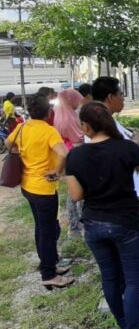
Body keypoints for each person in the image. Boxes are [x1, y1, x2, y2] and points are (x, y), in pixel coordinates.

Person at [65, 102, 139, 329]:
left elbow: (76, 195)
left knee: (109, 278)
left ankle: (122, 323)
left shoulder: (74, 156)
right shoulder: (126, 148)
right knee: (134, 282)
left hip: (94, 226)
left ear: (86, 127)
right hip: (126, 224)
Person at [4, 96, 73, 289]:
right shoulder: (49, 131)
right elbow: (64, 153)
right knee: (48, 231)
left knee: (41, 229)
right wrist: (56, 172)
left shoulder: (22, 127)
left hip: (27, 185)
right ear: (48, 113)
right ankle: (49, 274)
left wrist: (24, 154)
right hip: (44, 188)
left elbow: (9, 145)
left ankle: (48, 264)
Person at [90, 77, 139, 198]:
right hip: (119, 197)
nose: (123, 98)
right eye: (120, 94)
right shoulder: (100, 125)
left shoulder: (106, 121)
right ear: (110, 97)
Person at [54, 88, 86, 236]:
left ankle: (74, 226)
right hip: (73, 156)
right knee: (78, 193)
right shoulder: (68, 118)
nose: (77, 104)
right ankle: (78, 225)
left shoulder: (59, 113)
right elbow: (78, 139)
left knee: (72, 192)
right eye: (76, 100)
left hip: (67, 157)